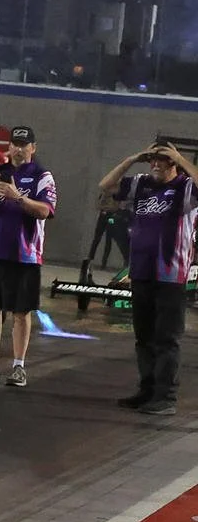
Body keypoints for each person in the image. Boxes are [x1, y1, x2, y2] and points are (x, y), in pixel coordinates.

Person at [106, 143, 197, 415]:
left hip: (170, 275)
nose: (155, 165)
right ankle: (146, 391)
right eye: (152, 161)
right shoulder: (140, 184)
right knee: (143, 337)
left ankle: (165, 396)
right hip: (142, 272)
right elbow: (106, 185)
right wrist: (131, 159)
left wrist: (180, 157)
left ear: (173, 165)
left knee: (166, 338)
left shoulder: (186, 186)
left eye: (162, 161)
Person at [0, 126, 57, 387]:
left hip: (24, 254)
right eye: (14, 144)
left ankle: (19, 367)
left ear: (33, 148)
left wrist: (18, 198)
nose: (18, 149)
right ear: (9, 147)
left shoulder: (42, 176)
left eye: (24, 144)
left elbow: (45, 211)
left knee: (20, 311)